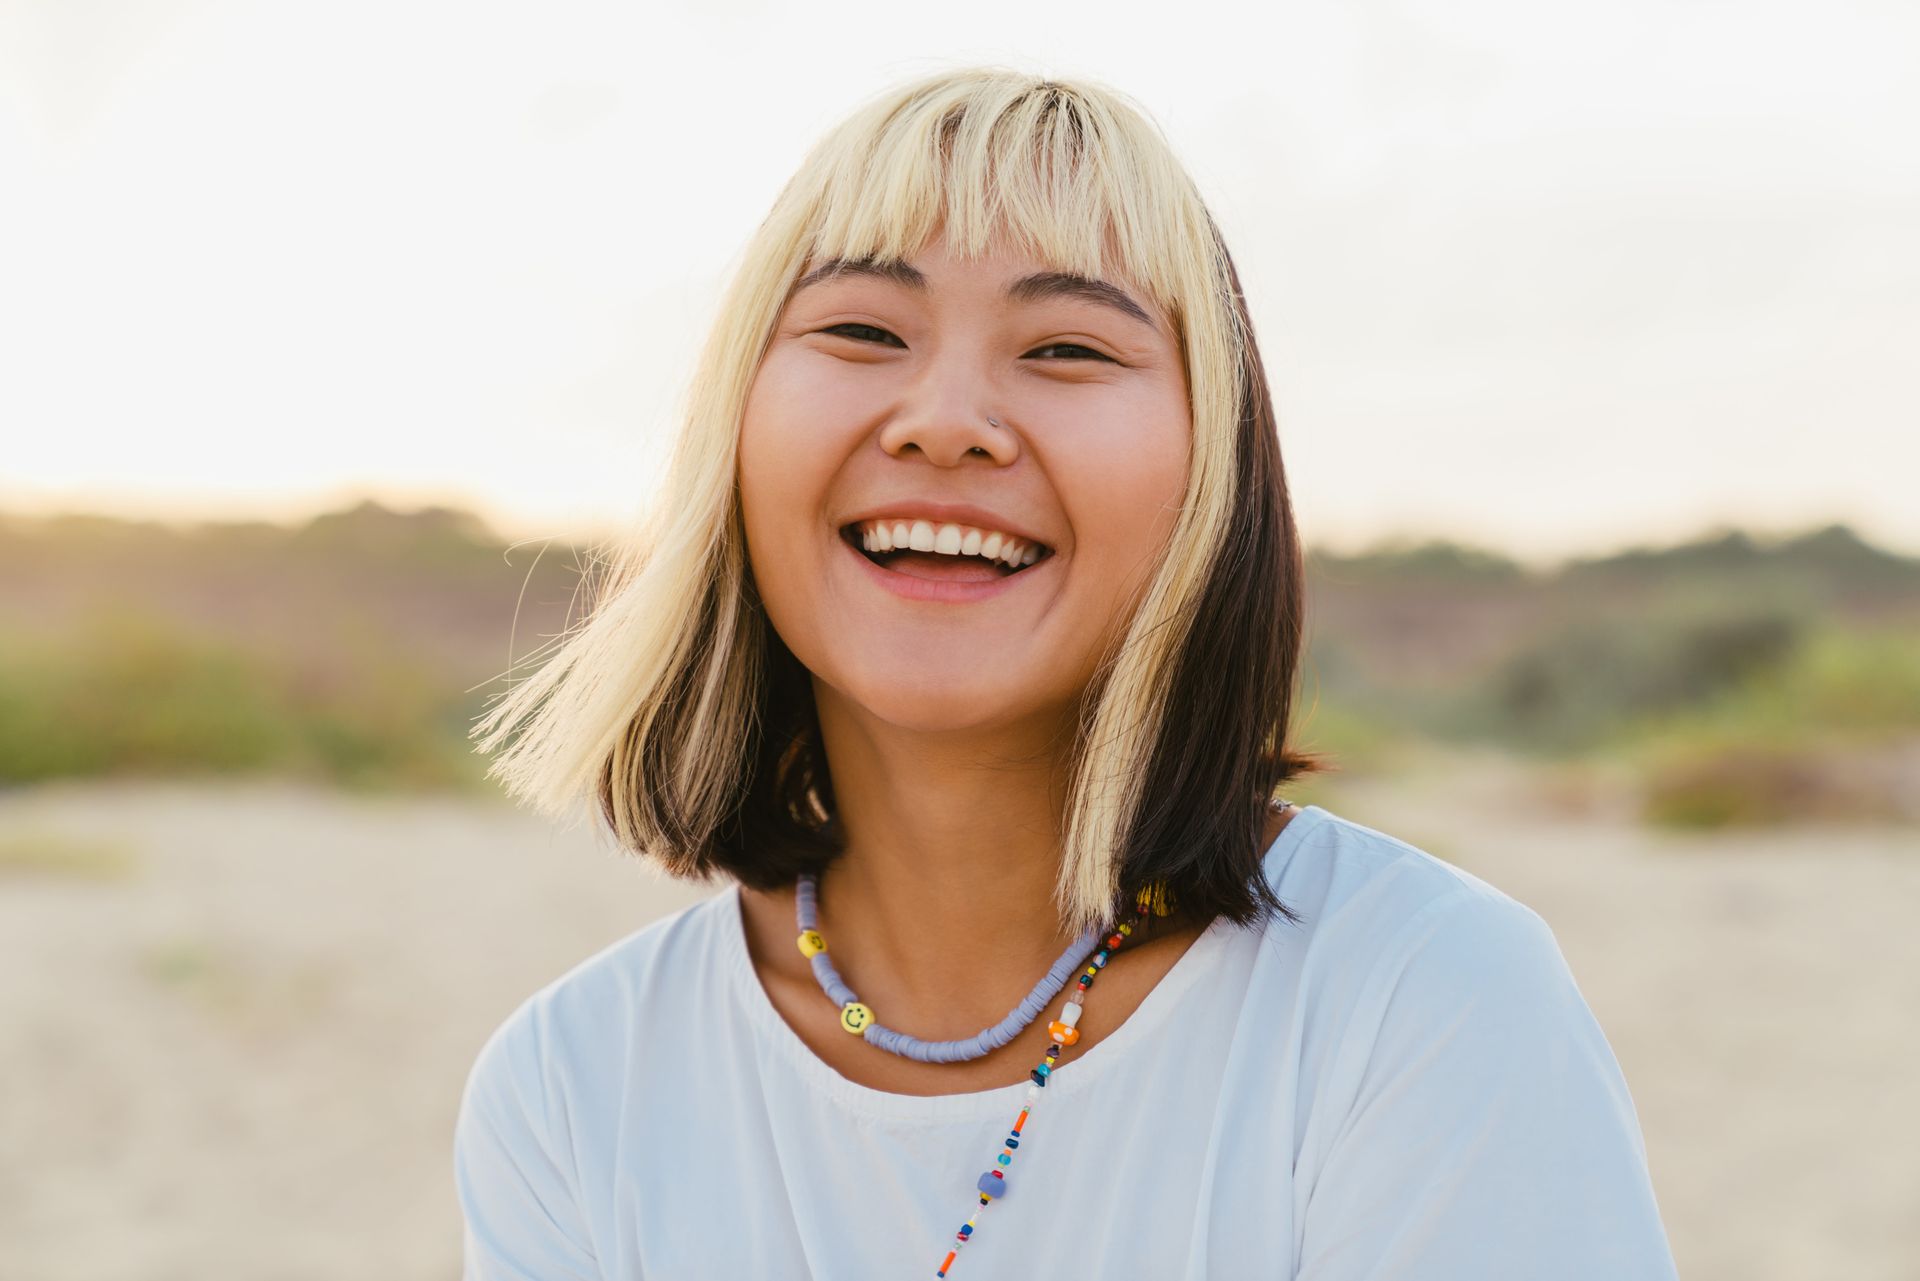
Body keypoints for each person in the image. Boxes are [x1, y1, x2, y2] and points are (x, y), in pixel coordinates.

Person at [452, 67, 1679, 1279]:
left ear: (1214, 473)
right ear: (733, 426)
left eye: (1068, 350)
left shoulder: (1423, 1006)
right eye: (863, 330)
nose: (945, 419)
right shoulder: (573, 1091)